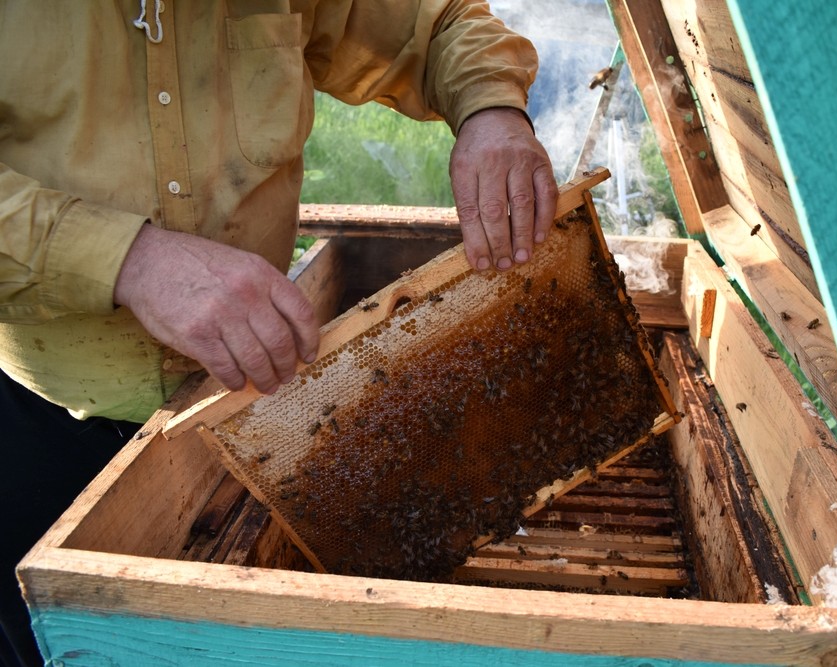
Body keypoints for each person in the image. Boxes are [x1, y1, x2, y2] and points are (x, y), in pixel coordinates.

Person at [0, 2, 557, 664]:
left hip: (267, 407)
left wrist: (492, 109)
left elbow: (431, 25)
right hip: (44, 425)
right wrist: (126, 258)